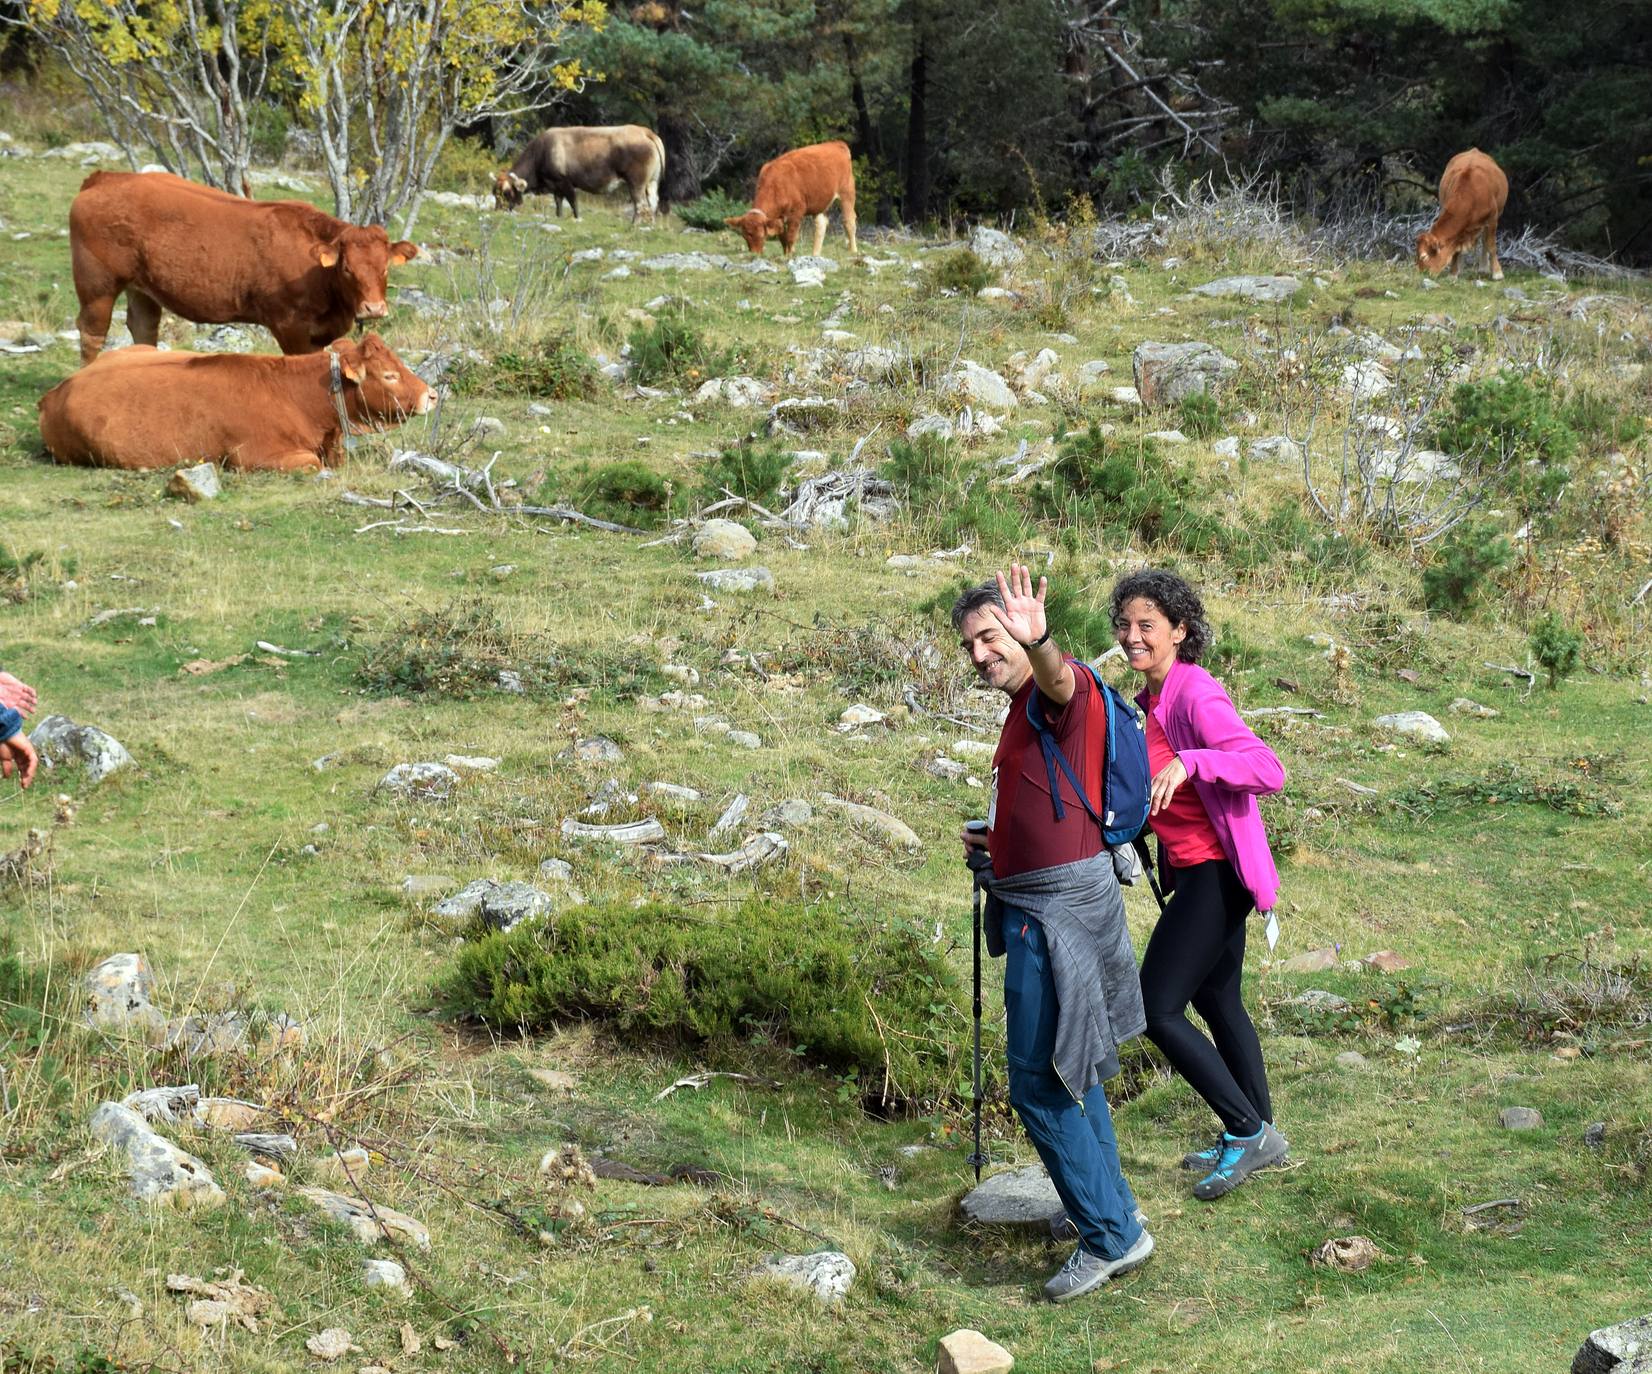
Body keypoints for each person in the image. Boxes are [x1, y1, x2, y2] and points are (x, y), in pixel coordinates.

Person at [955, 565, 1153, 1304]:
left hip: (1055, 919)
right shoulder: (1020, 712)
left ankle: (1111, 1238)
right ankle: (1113, 1212)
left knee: (1039, 1084)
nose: (980, 654)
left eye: (989, 636)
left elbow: (1063, 681)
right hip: (1053, 901)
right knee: (1077, 1076)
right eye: (970, 644)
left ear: (1020, 630)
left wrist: (1039, 643)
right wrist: (997, 841)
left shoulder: (1058, 692)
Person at [1111, 568, 1287, 1200]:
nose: (1133, 636)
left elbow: (1269, 769)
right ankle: (1264, 1129)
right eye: (1125, 625)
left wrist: (1194, 762)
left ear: (1180, 631)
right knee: (1217, 1002)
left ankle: (1243, 1130)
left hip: (1218, 873)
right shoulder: (1149, 704)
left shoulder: (1194, 693)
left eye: (1147, 626)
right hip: (1194, 872)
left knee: (1155, 1008)